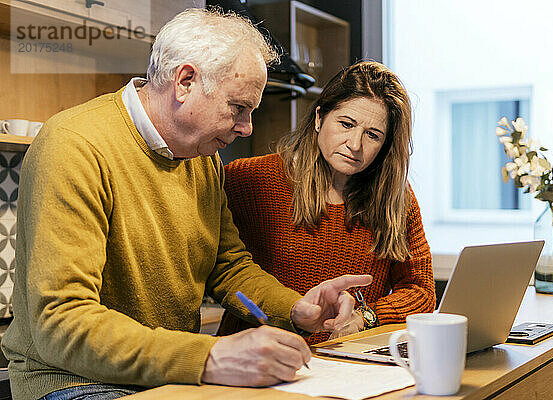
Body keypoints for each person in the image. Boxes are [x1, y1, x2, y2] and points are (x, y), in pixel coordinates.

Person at [0, 9, 372, 400]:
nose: (247, 127)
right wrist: (211, 356)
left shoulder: (202, 157)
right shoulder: (75, 144)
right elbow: (62, 323)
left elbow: (229, 269)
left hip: (165, 377)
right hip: (75, 381)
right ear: (186, 82)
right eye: (238, 108)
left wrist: (297, 309)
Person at [217, 61, 436, 344]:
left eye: (372, 135)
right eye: (346, 124)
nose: (354, 144)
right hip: (259, 359)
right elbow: (220, 270)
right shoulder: (251, 178)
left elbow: (420, 292)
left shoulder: (395, 198)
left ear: (385, 145)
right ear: (319, 118)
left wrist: (365, 316)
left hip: (349, 362)